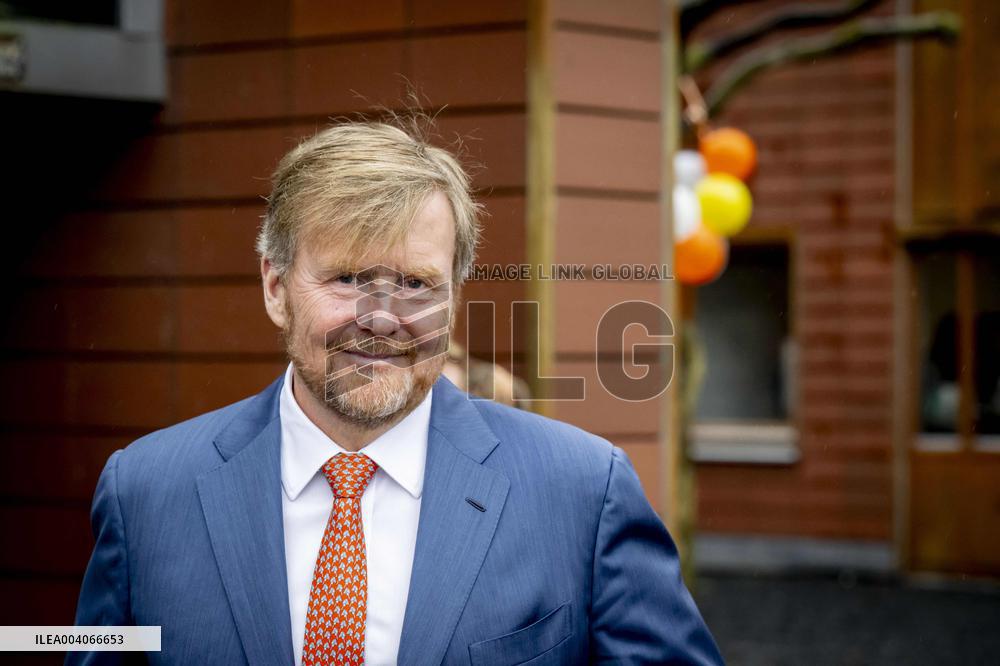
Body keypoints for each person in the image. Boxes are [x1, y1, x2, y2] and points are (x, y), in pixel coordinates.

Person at [69, 120, 724, 665]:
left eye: (415, 284)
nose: (381, 318)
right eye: (349, 278)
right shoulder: (145, 494)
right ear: (275, 287)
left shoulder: (585, 493)